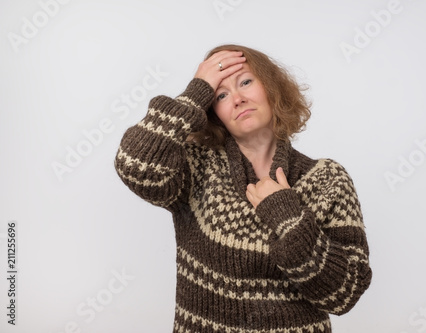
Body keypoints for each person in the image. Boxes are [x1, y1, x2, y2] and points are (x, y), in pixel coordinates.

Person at [114, 44, 372, 332]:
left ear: (272, 89)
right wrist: (195, 92)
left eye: (246, 82)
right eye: (221, 95)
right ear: (213, 113)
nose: (237, 99)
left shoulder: (328, 179)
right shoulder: (196, 166)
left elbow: (345, 294)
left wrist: (288, 217)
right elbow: (135, 165)